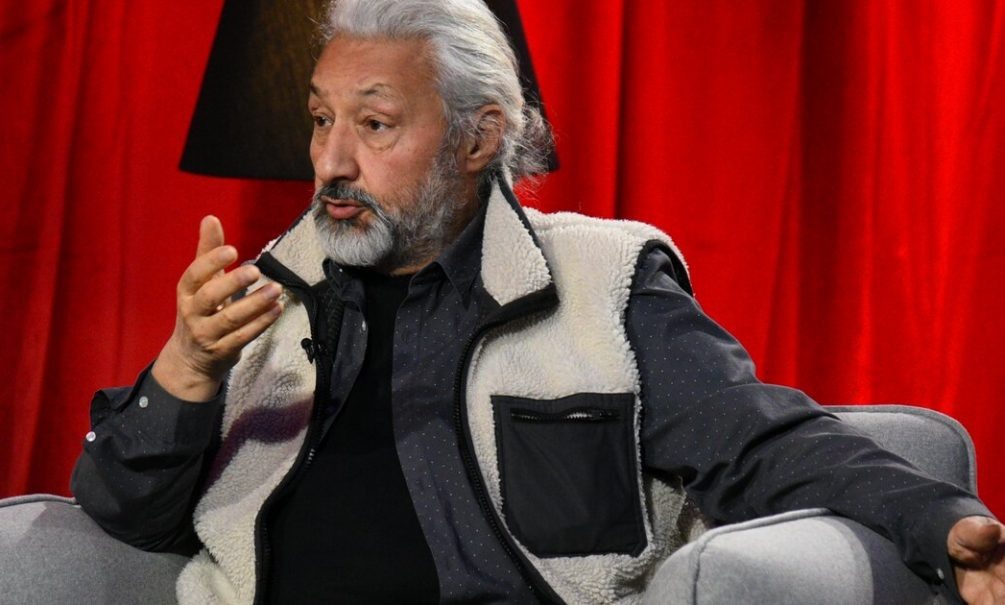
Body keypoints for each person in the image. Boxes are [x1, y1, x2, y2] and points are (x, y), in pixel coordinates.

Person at [71, 0, 1004, 603]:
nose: (331, 161)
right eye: (320, 119)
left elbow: (761, 443)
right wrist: (186, 367)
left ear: (478, 139)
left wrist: (938, 520)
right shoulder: (259, 302)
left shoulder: (603, 284)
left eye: (374, 123)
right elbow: (126, 514)